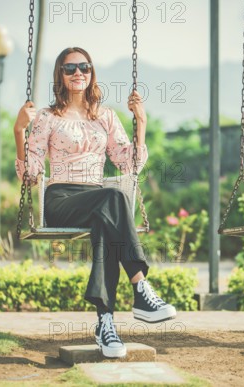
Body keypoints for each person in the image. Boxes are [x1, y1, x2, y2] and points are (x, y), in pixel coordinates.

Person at [13, 47, 176, 358]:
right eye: (70, 68)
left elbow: (129, 163)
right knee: (113, 198)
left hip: (97, 199)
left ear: (91, 73)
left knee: (106, 222)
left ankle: (105, 323)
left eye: (84, 67)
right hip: (61, 199)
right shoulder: (47, 117)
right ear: (59, 75)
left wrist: (141, 122)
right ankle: (140, 287)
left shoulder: (105, 116)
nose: (78, 73)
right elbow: (31, 173)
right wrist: (19, 129)